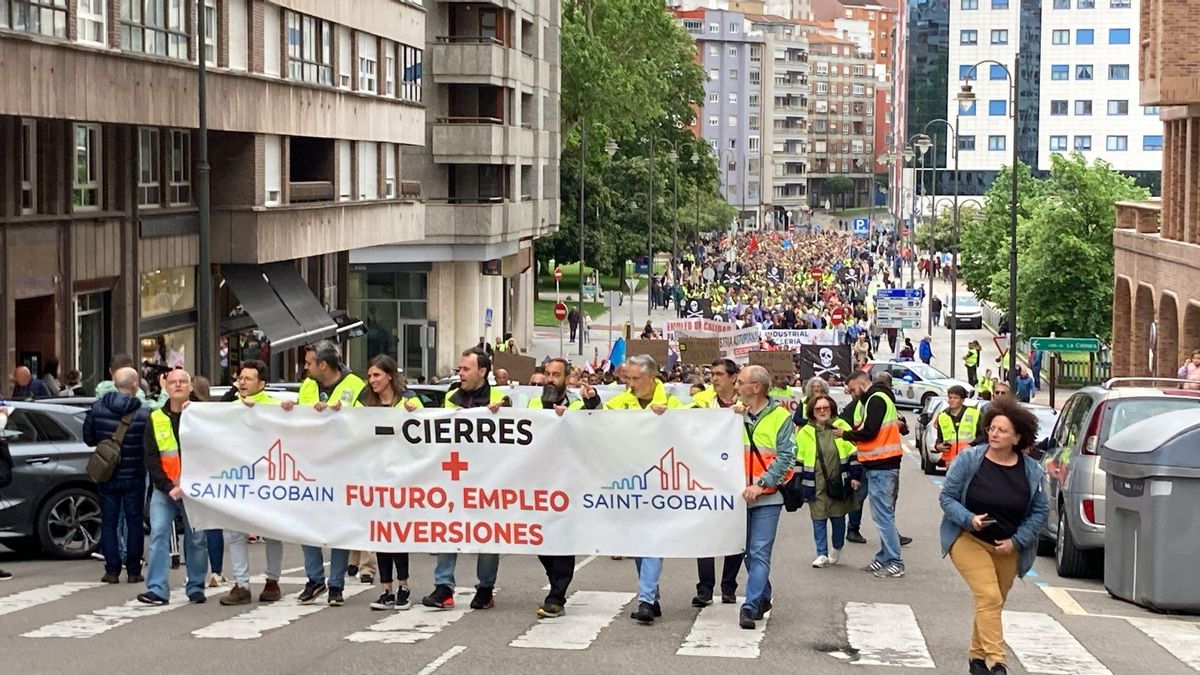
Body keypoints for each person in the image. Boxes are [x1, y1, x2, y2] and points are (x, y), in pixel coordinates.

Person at [939, 397, 1048, 675]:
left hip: (1007, 547)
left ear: (1017, 437)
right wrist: (969, 519)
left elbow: (1040, 511)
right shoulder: (970, 459)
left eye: (1002, 430)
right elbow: (947, 497)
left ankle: (977, 660)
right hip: (967, 538)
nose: (995, 434)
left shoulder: (1031, 470)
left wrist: (1016, 541)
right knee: (988, 597)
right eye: (992, 428)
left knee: (993, 602)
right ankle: (997, 663)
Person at [422, 348, 510, 611]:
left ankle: (485, 589)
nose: (460, 373)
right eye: (460, 369)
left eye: (466, 369)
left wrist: (500, 414)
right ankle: (443, 586)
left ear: (482, 372)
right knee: (448, 529)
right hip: (454, 478)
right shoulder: (450, 398)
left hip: (488, 479)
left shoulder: (500, 398)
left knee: (487, 534)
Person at [283, 340, 366, 606]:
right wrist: (290, 409)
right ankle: (315, 579)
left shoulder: (355, 385)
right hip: (311, 466)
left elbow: (366, 421)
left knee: (339, 527)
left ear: (323, 364)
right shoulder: (308, 386)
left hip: (343, 466)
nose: (305, 368)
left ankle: (336, 584)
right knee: (307, 525)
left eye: (309, 363)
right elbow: (299, 420)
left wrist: (339, 415)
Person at [601, 354, 682, 624]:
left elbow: (694, 425)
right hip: (629, 483)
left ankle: (646, 600)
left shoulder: (672, 402)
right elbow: (593, 419)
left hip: (661, 483)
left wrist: (670, 418)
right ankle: (652, 595)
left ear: (652, 377)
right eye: (628, 378)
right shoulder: (620, 402)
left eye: (636, 379)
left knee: (652, 540)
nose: (631, 384)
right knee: (638, 543)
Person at [528, 357, 600, 618]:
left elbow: (597, 424)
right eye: (547, 373)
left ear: (567, 378)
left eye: (556, 374)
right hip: (538, 484)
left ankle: (556, 595)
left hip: (569, 483)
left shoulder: (577, 405)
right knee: (541, 540)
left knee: (563, 540)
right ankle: (555, 581)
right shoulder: (532, 404)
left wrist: (590, 403)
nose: (549, 379)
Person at [138, 368, 210, 605]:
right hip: (165, 488)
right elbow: (151, 458)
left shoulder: (203, 416)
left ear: (191, 387)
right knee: (158, 533)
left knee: (196, 538)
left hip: (194, 489)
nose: (178, 385)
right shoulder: (155, 417)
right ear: (166, 387)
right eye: (173, 382)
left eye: (183, 382)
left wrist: (189, 483)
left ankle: (196, 586)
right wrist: (169, 486)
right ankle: (157, 589)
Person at [355, 355, 422, 611]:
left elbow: (426, 430)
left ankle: (404, 586)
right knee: (381, 534)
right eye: (370, 376)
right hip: (375, 476)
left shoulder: (408, 401)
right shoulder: (364, 404)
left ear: (390, 376)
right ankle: (386, 589)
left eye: (377, 376)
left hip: (402, 477)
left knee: (397, 535)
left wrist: (415, 415)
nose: (372, 381)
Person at [731, 365, 795, 629]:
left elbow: (786, 457)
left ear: (755, 387)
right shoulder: (736, 414)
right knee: (747, 553)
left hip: (767, 497)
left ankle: (750, 605)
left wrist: (761, 484)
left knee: (759, 552)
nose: (736, 386)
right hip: (738, 497)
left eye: (741, 382)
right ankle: (763, 594)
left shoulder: (781, 417)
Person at [219, 360, 286, 606]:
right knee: (235, 532)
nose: (242, 382)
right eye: (240, 378)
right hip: (239, 477)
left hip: (269, 479)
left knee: (272, 532)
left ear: (262, 384)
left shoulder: (276, 407)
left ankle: (272, 581)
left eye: (248, 378)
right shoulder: (231, 407)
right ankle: (242, 584)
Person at [837, 371, 906, 578]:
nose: (851, 393)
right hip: (880, 464)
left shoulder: (876, 399)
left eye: (851, 389)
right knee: (882, 515)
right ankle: (884, 556)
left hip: (882, 465)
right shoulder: (875, 399)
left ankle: (895, 560)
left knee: (883, 516)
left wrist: (846, 434)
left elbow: (870, 432)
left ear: (861, 383)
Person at [82, 366, 148, 585]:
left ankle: (111, 570)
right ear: (135, 384)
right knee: (134, 522)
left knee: (109, 522)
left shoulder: (98, 408)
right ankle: (133, 570)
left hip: (106, 473)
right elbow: (148, 444)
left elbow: (89, 438)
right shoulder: (143, 412)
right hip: (135, 473)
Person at [688, 359, 745, 607]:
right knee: (704, 534)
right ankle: (705, 588)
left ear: (734, 378)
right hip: (706, 476)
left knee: (735, 532)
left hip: (737, 475)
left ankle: (729, 586)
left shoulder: (747, 404)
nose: (715, 378)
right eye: (712, 374)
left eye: (720, 374)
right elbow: (679, 418)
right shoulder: (702, 401)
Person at [798, 393, 861, 568]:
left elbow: (853, 453)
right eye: (818, 409)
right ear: (812, 412)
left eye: (825, 407)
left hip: (839, 483)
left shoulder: (841, 427)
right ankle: (821, 554)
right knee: (818, 519)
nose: (822, 411)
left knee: (838, 519)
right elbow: (798, 460)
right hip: (814, 483)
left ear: (832, 408)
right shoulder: (805, 432)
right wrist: (798, 485)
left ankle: (837, 547)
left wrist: (855, 477)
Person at [936, 385, 980, 468]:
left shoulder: (974, 414)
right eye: (950, 397)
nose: (952, 400)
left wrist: (971, 445)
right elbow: (940, 438)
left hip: (969, 461)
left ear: (962, 400)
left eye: (955, 398)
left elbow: (982, 437)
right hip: (950, 463)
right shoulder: (942, 416)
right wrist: (938, 446)